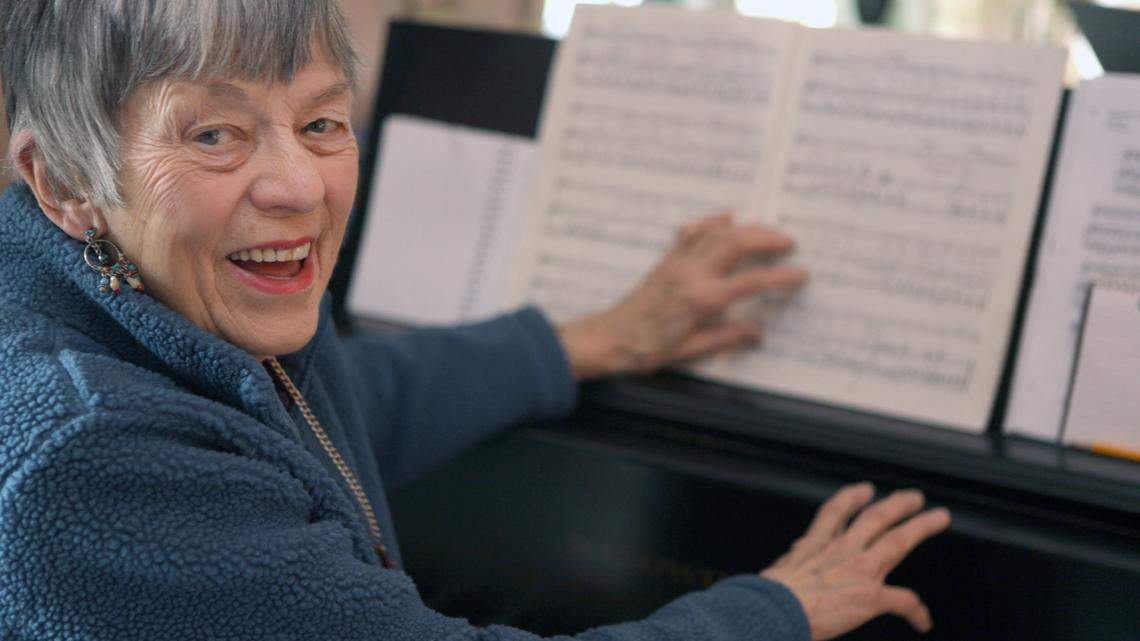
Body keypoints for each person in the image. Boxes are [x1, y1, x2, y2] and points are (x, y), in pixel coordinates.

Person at [0, 1, 950, 639]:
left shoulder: (177, 298)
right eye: (215, 134)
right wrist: (773, 608)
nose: (299, 185)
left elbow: (340, 405)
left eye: (323, 122)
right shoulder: (88, 453)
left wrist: (588, 339)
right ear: (62, 180)